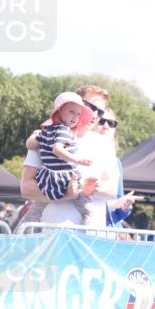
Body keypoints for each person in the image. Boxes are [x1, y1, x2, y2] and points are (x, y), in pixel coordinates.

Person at [21, 84, 141, 227]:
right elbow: (26, 188)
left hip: (89, 238)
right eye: (91, 107)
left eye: (100, 112)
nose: (95, 115)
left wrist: (87, 188)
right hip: (50, 235)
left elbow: (111, 190)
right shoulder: (45, 134)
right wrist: (66, 192)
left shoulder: (104, 143)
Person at [34, 91, 100, 224]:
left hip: (47, 177)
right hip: (63, 177)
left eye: (78, 114)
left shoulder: (47, 130)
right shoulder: (64, 130)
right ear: (59, 112)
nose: (75, 117)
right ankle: (87, 238)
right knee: (89, 210)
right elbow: (57, 149)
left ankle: (21, 233)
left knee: (37, 208)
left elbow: (31, 143)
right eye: (71, 112)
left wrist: (32, 140)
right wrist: (77, 160)